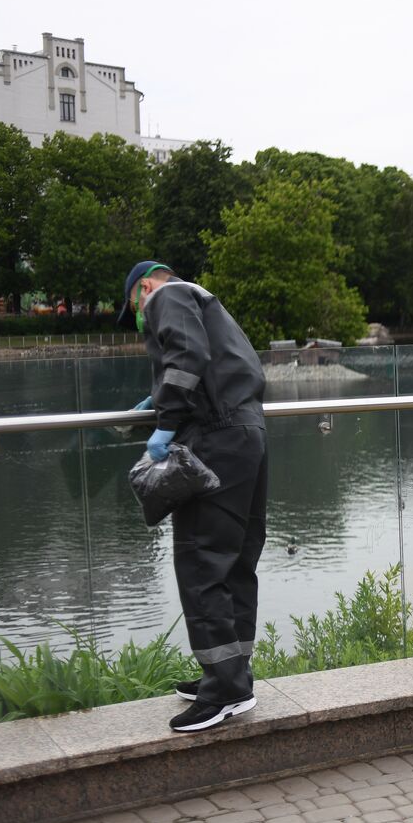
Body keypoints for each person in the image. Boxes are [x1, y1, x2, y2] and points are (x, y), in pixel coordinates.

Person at [117, 260, 270, 731]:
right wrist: (162, 398)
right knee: (237, 561)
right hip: (248, 433)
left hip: (215, 440)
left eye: (134, 310)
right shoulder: (207, 302)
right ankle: (234, 677)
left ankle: (222, 691)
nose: (141, 318)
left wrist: (165, 424)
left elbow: (186, 355)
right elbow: (219, 366)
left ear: (143, 287)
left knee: (202, 562)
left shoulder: (166, 295)